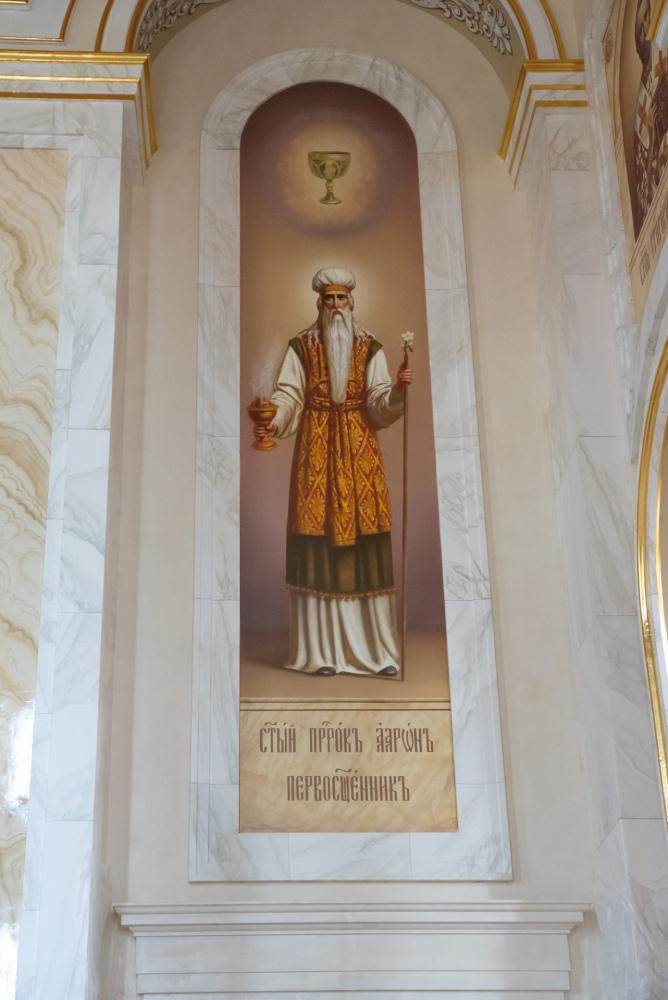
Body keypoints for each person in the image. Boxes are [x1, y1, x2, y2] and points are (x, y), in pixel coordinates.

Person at [253, 267, 412, 676]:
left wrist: (397, 389)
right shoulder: (301, 346)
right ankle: (321, 653)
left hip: (360, 453)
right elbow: (289, 394)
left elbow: (379, 402)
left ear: (351, 302)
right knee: (316, 540)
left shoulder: (370, 346)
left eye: (342, 299)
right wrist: (273, 420)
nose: (336, 306)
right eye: (329, 299)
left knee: (366, 541)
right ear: (319, 303)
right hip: (316, 451)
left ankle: (376, 653)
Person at [633, 0, 668, 235]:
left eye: (647, 18)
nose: (644, 27)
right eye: (640, 25)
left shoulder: (662, 61)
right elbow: (643, 155)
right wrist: (650, 127)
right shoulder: (642, 94)